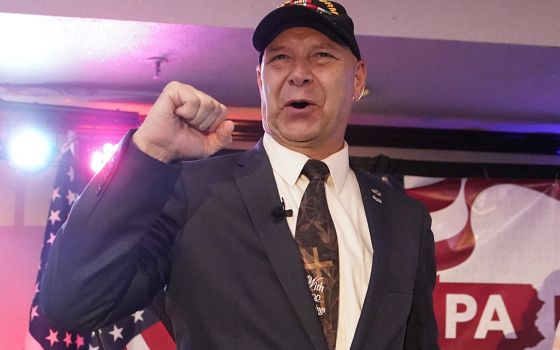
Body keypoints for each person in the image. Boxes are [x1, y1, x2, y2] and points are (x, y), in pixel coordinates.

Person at [41, 1, 439, 349]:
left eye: (321, 56)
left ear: (357, 79)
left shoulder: (405, 220)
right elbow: (69, 303)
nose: (298, 74)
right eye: (279, 58)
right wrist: (151, 153)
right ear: (260, 79)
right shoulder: (194, 192)